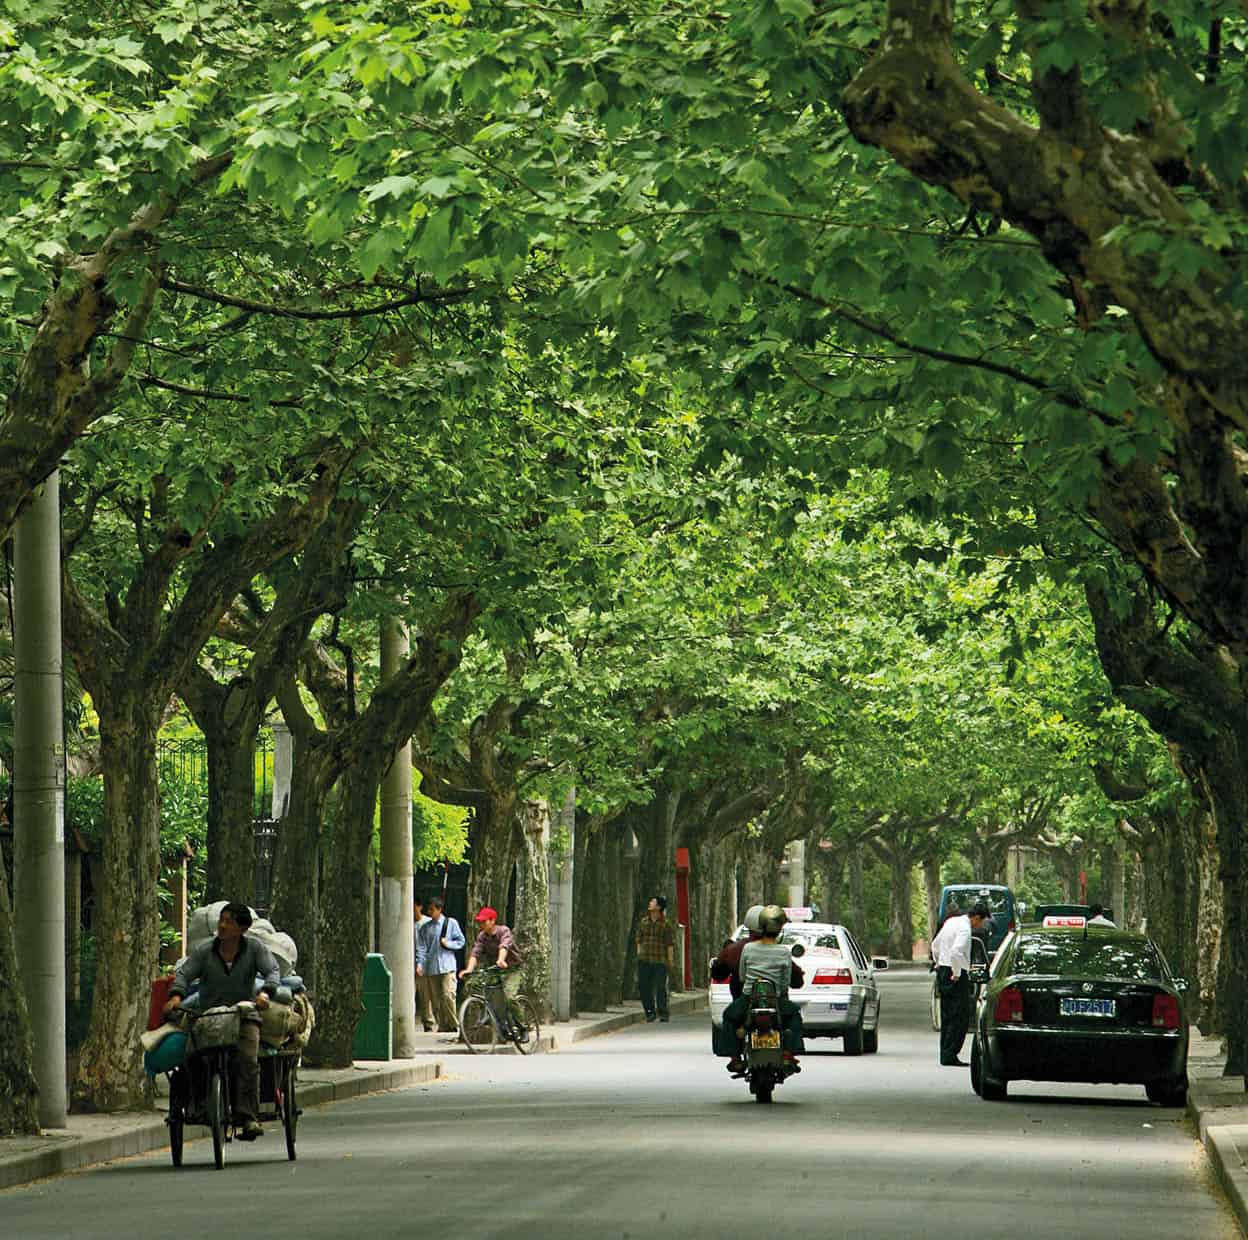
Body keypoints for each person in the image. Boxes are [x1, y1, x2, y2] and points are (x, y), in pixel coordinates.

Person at [164, 902, 280, 1140]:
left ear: (242, 928)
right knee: (192, 1056)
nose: (223, 925)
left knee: (247, 1060)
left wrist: (265, 993)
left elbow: (272, 971)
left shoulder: (255, 949)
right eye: (221, 920)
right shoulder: (205, 951)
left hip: (244, 1013)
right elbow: (185, 974)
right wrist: (176, 996)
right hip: (209, 1015)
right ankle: (198, 1105)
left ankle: (248, 1117)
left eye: (229, 921)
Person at [721, 904, 804, 1075]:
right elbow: (785, 981)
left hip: (749, 999)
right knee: (795, 1015)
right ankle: (789, 1053)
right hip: (776, 1001)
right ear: (780, 929)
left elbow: (743, 976)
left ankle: (735, 1058)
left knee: (728, 1016)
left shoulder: (748, 948)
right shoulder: (783, 952)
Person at [930, 899, 991, 1067]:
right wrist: (956, 972)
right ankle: (951, 1054)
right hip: (956, 973)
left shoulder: (951, 922)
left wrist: (937, 962)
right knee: (960, 1016)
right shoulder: (965, 928)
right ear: (976, 918)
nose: (981, 926)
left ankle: (945, 1053)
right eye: (983, 921)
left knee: (947, 1014)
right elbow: (957, 951)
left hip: (943, 970)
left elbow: (935, 945)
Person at [460, 907, 525, 1021]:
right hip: (495, 970)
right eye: (480, 922)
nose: (481, 924)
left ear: (492, 920)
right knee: (474, 984)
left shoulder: (504, 931)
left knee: (510, 998)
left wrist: (501, 960)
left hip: (512, 969)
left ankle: (522, 1024)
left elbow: (504, 946)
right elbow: (476, 953)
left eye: (484, 921)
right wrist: (469, 969)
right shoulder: (482, 936)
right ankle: (494, 1019)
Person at [416, 895, 465, 1032]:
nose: (430, 912)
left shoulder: (451, 923)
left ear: (439, 909)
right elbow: (421, 948)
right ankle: (443, 1025)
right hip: (431, 968)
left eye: (432, 909)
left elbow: (461, 941)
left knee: (448, 995)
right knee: (436, 1000)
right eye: (429, 910)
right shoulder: (425, 928)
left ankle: (454, 1024)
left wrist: (448, 943)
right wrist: (420, 963)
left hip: (447, 966)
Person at [635, 894, 675, 1022]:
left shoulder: (666, 924)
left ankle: (663, 1013)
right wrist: (639, 954)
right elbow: (639, 939)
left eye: (653, 902)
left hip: (660, 960)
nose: (650, 903)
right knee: (643, 986)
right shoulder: (643, 922)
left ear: (658, 907)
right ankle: (650, 1012)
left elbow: (669, 944)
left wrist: (670, 961)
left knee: (660, 987)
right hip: (644, 959)